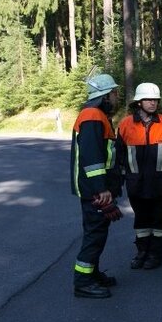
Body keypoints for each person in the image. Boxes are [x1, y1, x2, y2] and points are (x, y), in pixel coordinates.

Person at [70, 73, 123, 298]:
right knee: (94, 234)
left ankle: (91, 273)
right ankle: (83, 281)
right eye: (114, 93)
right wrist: (101, 189)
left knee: (97, 232)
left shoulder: (96, 115)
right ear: (105, 95)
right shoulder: (92, 116)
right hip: (96, 191)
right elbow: (92, 158)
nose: (117, 96)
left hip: (96, 188)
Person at [116, 82, 162, 270]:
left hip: (158, 181)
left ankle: (156, 254)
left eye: (155, 100)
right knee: (141, 217)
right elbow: (119, 154)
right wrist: (118, 179)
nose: (153, 103)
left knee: (158, 217)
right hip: (135, 181)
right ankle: (142, 252)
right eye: (149, 99)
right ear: (139, 102)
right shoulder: (125, 124)